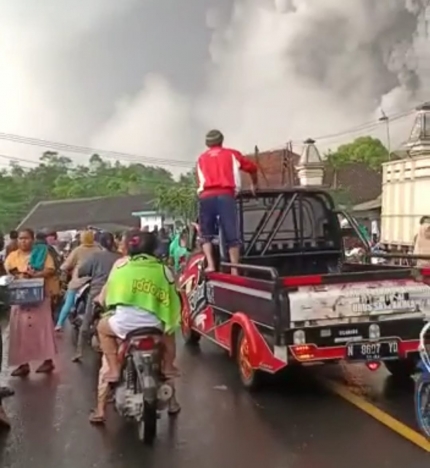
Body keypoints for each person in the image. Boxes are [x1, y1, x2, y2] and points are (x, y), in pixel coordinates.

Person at [92, 230, 181, 422]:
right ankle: (168, 369)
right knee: (170, 331)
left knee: (102, 329)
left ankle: (101, 406)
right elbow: (174, 299)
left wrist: (100, 301)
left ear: (127, 247)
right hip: (155, 325)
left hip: (124, 325)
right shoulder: (164, 269)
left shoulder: (120, 266)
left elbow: (106, 296)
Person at [197, 129, 258, 275]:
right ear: (221, 141)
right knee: (232, 234)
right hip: (226, 195)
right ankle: (235, 269)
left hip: (206, 196)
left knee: (205, 234)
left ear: (207, 144)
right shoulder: (231, 154)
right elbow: (252, 168)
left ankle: (211, 265)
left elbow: (200, 180)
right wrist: (254, 184)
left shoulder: (201, 158)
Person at [4, 228, 58, 376]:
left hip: (39, 296)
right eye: (21, 238)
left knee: (43, 330)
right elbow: (8, 271)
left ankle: (48, 361)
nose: (23, 241)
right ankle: (23, 364)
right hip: (20, 298)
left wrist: (36, 274)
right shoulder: (12, 256)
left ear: (33, 240)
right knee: (20, 332)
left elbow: (50, 269)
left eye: (26, 238)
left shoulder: (41, 253)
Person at [73, 232, 122, 362]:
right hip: (118, 293)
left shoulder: (95, 256)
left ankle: (79, 352)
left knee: (86, 321)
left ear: (99, 243)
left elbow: (82, 271)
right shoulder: (120, 257)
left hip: (97, 292)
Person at [55, 230, 102, 331]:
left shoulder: (78, 250)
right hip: (94, 280)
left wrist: (62, 268)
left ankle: (59, 324)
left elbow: (67, 264)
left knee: (68, 302)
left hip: (79, 281)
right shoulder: (98, 249)